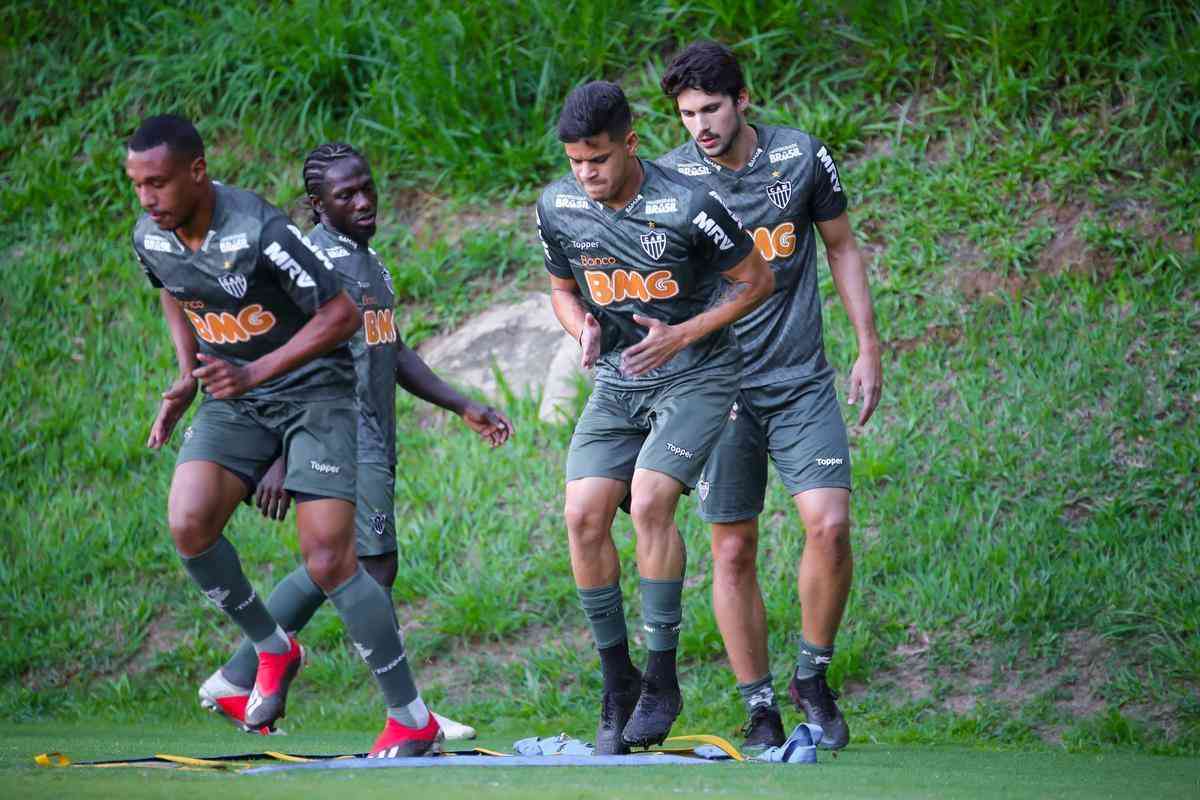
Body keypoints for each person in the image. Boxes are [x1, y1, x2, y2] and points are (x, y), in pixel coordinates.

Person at [129, 115, 440, 757]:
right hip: (235, 398)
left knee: (331, 560)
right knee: (189, 524)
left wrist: (255, 371)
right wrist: (188, 375)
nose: (147, 198)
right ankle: (273, 649)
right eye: (137, 185)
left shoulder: (261, 230)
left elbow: (342, 314)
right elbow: (172, 289)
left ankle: (411, 719)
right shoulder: (150, 236)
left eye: (157, 182)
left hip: (316, 396)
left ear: (197, 170)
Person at [198, 142, 511, 743]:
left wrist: (462, 403)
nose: (365, 201)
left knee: (337, 564)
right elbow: (278, 358)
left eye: (368, 188)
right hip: (337, 432)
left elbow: (389, 348)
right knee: (370, 565)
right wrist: (280, 454)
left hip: (370, 435)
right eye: (347, 195)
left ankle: (238, 674)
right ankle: (407, 714)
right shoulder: (312, 264)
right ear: (317, 205)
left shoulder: (369, 262)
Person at [536, 82, 774, 753]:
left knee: (649, 500)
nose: (587, 175)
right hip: (618, 379)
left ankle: (663, 679)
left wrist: (686, 332)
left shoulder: (690, 204)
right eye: (576, 162)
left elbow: (757, 279)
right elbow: (559, 285)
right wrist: (578, 324)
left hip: (697, 375)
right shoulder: (558, 206)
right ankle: (620, 683)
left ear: (631, 143)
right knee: (581, 513)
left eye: (600, 159)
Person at [657, 42, 882, 751]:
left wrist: (869, 345)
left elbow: (842, 246)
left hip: (801, 380)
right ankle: (758, 706)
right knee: (732, 550)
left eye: (712, 108)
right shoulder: (667, 182)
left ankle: (811, 676)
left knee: (831, 525)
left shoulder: (801, 157)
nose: (701, 124)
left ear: (742, 99)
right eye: (688, 113)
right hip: (718, 388)